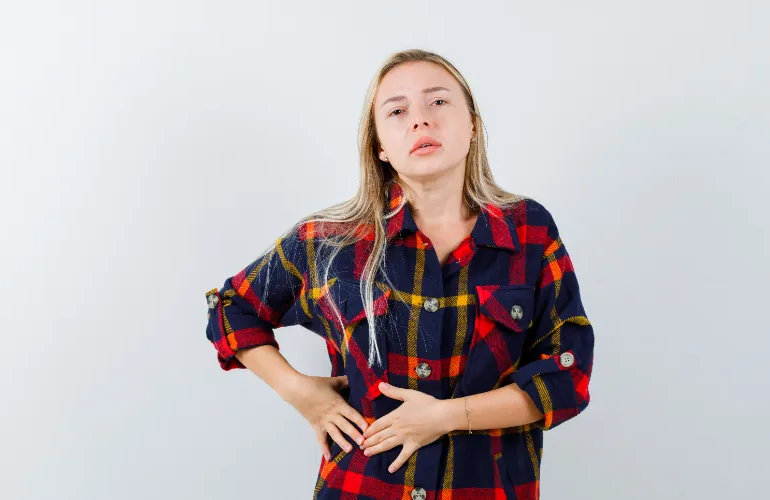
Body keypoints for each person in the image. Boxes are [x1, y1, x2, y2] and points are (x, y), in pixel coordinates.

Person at [204, 48, 595, 500]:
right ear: (380, 148)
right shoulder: (328, 241)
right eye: (397, 110)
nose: (420, 120)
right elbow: (231, 308)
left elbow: (569, 374)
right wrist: (300, 393)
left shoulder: (528, 229)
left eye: (438, 102)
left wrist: (447, 416)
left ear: (472, 126)